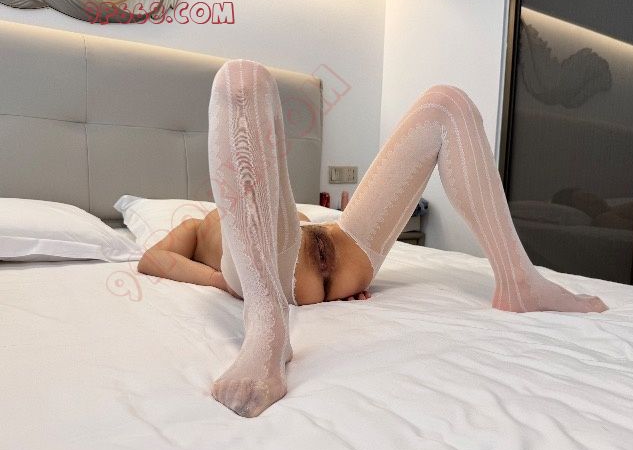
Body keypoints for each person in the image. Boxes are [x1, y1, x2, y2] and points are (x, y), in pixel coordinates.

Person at [139, 59, 608, 418]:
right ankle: (267, 326)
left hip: (343, 250)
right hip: (268, 275)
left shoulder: (272, 203)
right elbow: (153, 261)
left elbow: (279, 209)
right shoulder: (198, 224)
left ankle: (517, 279)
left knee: (446, 103)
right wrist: (225, 282)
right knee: (240, 78)